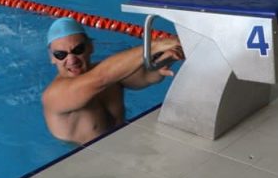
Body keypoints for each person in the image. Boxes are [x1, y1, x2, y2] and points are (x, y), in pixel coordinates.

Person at [41, 17, 184, 145]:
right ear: (52, 58)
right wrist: (155, 45)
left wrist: (169, 57)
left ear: (90, 47)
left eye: (78, 49)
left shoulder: (111, 73)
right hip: (87, 157)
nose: (71, 60)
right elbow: (100, 78)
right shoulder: (54, 95)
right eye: (60, 54)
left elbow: (146, 77)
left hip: (124, 142)